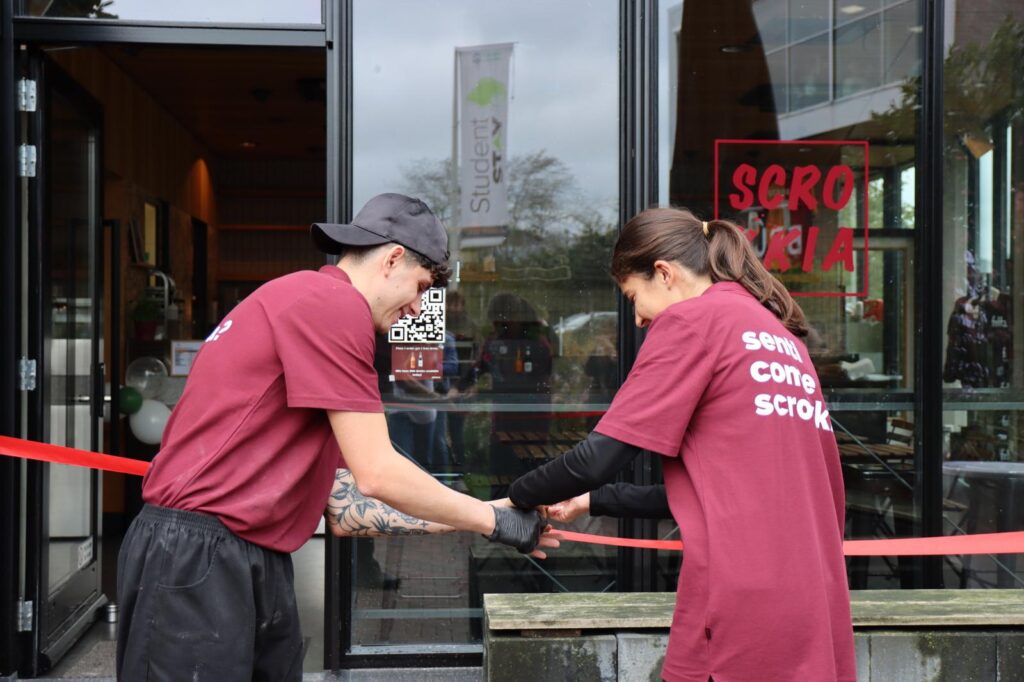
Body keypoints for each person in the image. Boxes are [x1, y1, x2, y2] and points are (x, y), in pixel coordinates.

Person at [116, 193, 552, 681]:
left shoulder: (308, 302)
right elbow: (379, 473)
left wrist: (489, 515)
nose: (417, 308)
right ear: (392, 259)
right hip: (198, 555)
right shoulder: (332, 305)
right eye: (422, 285)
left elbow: (346, 505)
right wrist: (492, 522)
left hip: (244, 554)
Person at [506, 207, 856, 681]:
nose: (639, 318)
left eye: (634, 297)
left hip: (739, 598)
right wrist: (593, 502)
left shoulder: (694, 321)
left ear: (664, 273)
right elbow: (732, 496)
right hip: (812, 599)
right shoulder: (775, 334)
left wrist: (515, 499)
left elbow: (596, 458)